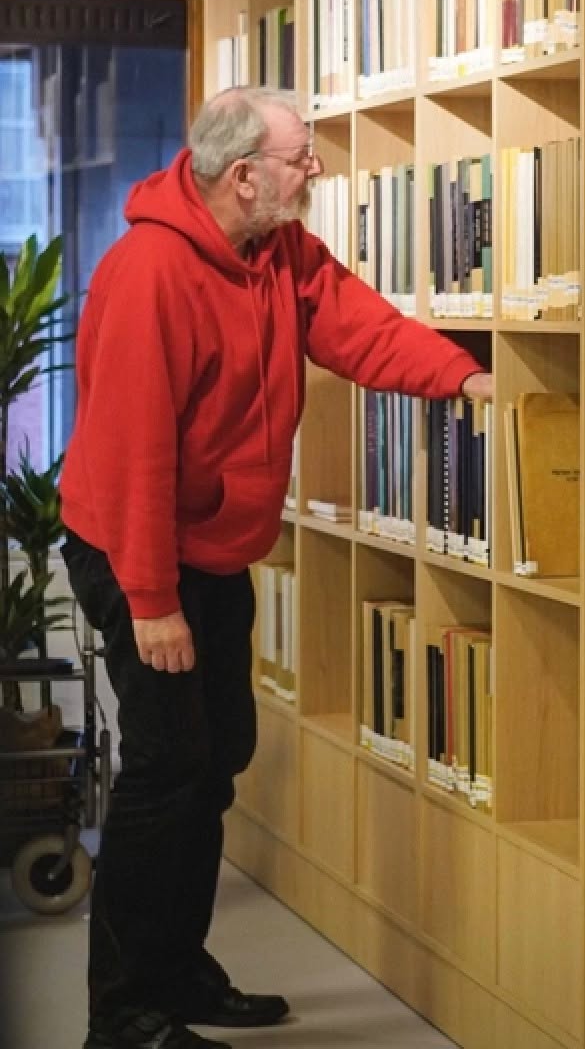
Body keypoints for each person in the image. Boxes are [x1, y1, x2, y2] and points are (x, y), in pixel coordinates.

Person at [58, 88, 493, 1049]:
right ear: (244, 174)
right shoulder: (150, 273)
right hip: (135, 549)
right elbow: (133, 454)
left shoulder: (277, 250)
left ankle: (177, 972)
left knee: (216, 758)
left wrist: (464, 376)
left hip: (211, 548)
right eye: (302, 155)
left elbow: (359, 326)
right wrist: (151, 602)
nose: (317, 169)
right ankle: (124, 1018)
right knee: (165, 770)